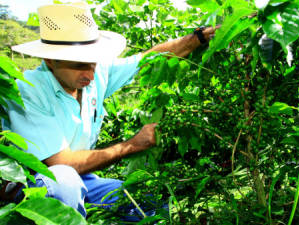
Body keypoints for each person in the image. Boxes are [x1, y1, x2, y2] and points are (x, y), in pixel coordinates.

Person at [1, 2, 217, 220]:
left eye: (93, 63)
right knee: (64, 182)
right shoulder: (28, 91)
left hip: (81, 179)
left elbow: (147, 60)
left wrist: (196, 38)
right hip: (36, 182)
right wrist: (132, 145)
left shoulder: (94, 74)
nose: (91, 75)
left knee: (143, 200)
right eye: (79, 65)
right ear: (49, 60)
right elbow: (62, 163)